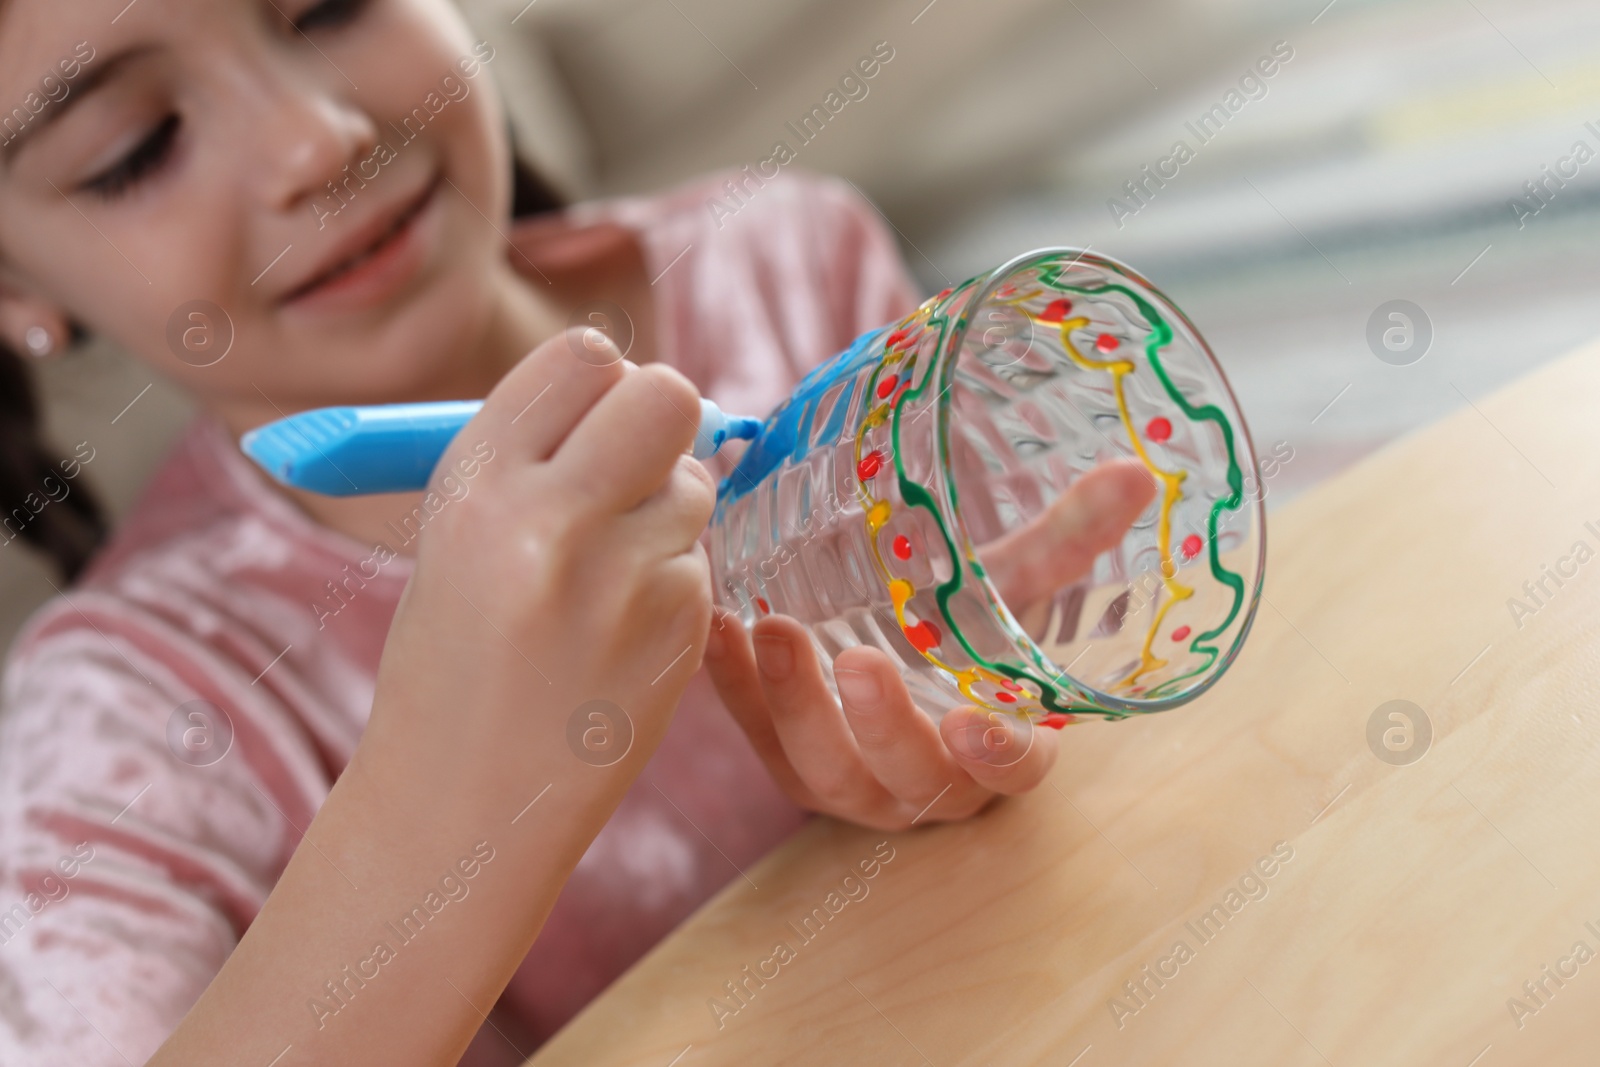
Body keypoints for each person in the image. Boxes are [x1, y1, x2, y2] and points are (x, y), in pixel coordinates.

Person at [0, 1, 1127, 1063]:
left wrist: (987, 703)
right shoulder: (125, 715)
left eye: (331, 3)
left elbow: (1072, 755)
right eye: (135, 146)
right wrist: (451, 797)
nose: (316, 140)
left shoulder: (783, 260)